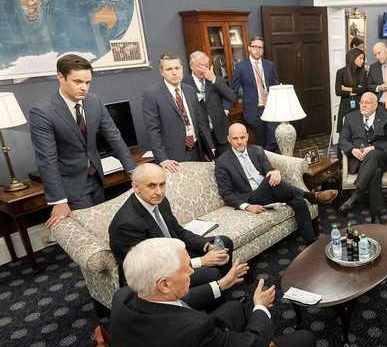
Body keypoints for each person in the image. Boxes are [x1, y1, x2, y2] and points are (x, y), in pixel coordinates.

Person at [110, 238, 315, 347]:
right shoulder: (196, 331)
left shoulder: (123, 297)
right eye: (185, 268)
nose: (192, 271)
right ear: (164, 284)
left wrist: (222, 284)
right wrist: (261, 308)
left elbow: (177, 302)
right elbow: (258, 345)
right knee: (304, 339)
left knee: (235, 307)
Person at [29, 54, 135, 228]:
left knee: (104, 224)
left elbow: (114, 136)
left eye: (88, 82)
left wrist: (132, 170)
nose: (84, 88)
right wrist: (59, 200)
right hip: (72, 184)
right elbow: (46, 159)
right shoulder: (42, 111)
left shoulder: (94, 102)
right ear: (61, 77)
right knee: (90, 228)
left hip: (97, 177)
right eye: (78, 82)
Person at [109, 163, 234, 298]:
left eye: (162, 184)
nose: (159, 191)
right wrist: (201, 261)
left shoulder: (159, 200)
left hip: (173, 253)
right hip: (155, 274)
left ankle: (226, 292)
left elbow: (178, 231)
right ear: (136, 187)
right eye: (152, 185)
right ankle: (213, 305)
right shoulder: (127, 224)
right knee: (211, 273)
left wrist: (206, 245)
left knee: (222, 242)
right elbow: (150, 267)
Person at [215, 124, 337, 245]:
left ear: (247, 136)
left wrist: (274, 172)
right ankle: (310, 196)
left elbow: (269, 169)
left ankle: (310, 241)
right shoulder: (223, 162)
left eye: (242, 137)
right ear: (229, 139)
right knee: (270, 181)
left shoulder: (257, 150)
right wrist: (247, 206)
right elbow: (226, 194)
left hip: (271, 190)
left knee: (297, 200)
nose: (240, 142)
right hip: (252, 197)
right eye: (235, 138)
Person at [142, 54, 214, 172]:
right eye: (169, 69)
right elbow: (153, 130)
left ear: (182, 69)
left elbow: (201, 123)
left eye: (177, 68)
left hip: (197, 151)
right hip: (173, 158)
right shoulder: (151, 95)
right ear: (162, 72)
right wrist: (163, 159)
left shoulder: (190, 90)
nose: (174, 72)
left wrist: (211, 148)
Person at [338, 92, 387, 222]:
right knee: (375, 171)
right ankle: (376, 213)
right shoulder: (350, 117)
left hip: (382, 157)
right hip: (360, 160)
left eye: (368, 102)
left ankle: (356, 195)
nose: (363, 105)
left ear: (376, 105)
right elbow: (342, 140)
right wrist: (352, 150)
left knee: (373, 154)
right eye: (362, 102)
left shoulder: (386, 117)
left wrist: (373, 148)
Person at [183, 51, 239, 155]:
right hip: (201, 135)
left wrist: (213, 79)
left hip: (221, 132)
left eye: (206, 66)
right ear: (191, 66)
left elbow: (232, 97)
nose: (204, 69)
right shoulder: (184, 83)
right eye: (200, 66)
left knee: (229, 162)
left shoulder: (215, 79)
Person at [230, 37, 279, 152]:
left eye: (260, 47)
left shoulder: (269, 65)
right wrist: (226, 108)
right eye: (255, 47)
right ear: (249, 48)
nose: (257, 50)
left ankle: (267, 158)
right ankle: (265, 162)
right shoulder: (241, 67)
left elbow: (275, 86)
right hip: (254, 110)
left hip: (270, 108)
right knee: (261, 141)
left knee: (273, 138)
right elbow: (234, 89)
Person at [335, 48, 368, 134]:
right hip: (345, 105)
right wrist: (356, 91)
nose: (363, 61)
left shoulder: (363, 72)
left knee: (360, 131)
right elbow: (338, 91)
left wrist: (346, 88)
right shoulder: (341, 72)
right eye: (360, 58)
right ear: (352, 58)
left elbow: (364, 89)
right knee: (345, 132)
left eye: (363, 58)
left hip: (359, 104)